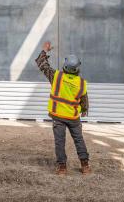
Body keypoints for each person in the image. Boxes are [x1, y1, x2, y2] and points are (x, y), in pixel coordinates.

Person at [35, 41, 90, 175]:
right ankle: (85, 166)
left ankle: (62, 168)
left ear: (65, 66)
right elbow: (84, 102)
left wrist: (45, 51)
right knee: (79, 140)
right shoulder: (81, 83)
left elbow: (42, 64)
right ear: (77, 69)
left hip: (58, 117)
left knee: (60, 142)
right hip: (73, 118)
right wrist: (83, 110)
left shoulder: (56, 77)